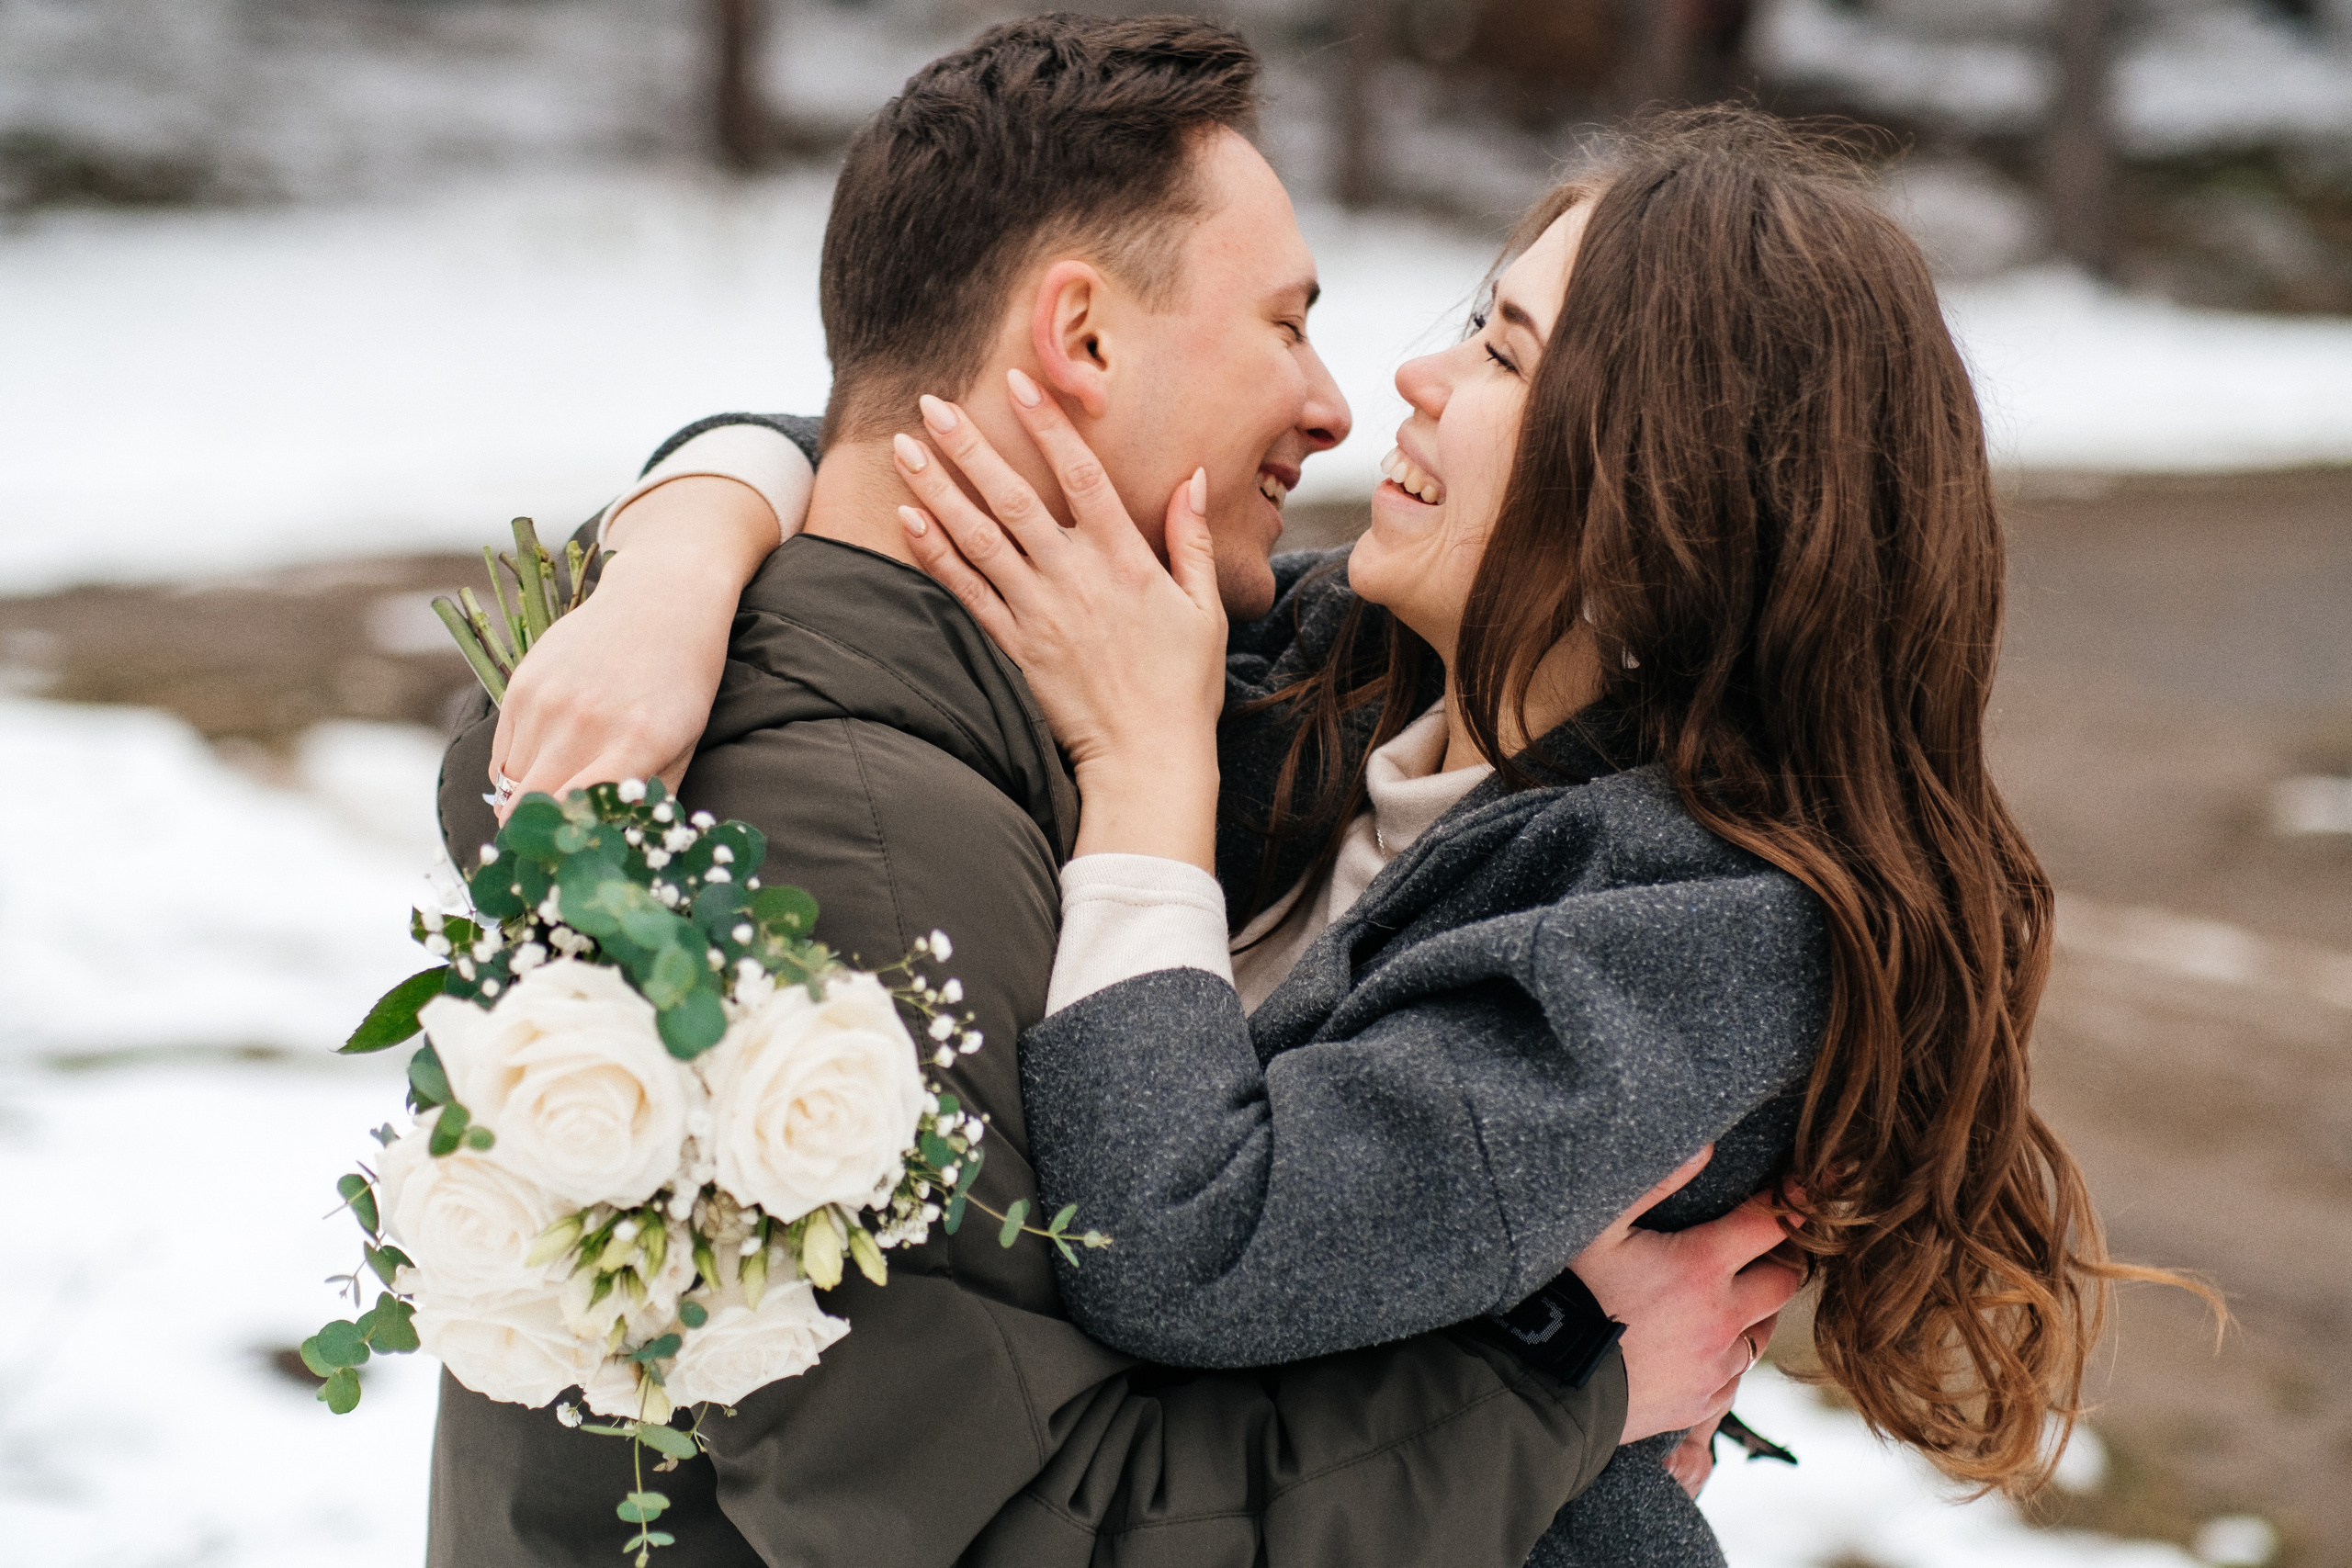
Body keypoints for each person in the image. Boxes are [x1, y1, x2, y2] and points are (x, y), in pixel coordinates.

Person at [510, 104, 2199, 1565]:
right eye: (1479, 318)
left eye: (1507, 354)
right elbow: (892, 456)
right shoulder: (1333, 679)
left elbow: (1190, 1249)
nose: (1405, 375)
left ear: (1666, 487)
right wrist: (683, 549)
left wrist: (1148, 775)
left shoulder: (1694, 932)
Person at [427, 18, 1798, 1568]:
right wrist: (692, 523)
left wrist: (696, 534)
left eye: (1498, 349)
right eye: (1289, 325)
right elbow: (1045, 1513)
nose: (1357, 398)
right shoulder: (884, 808)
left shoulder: (1620, 888)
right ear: (1080, 341)